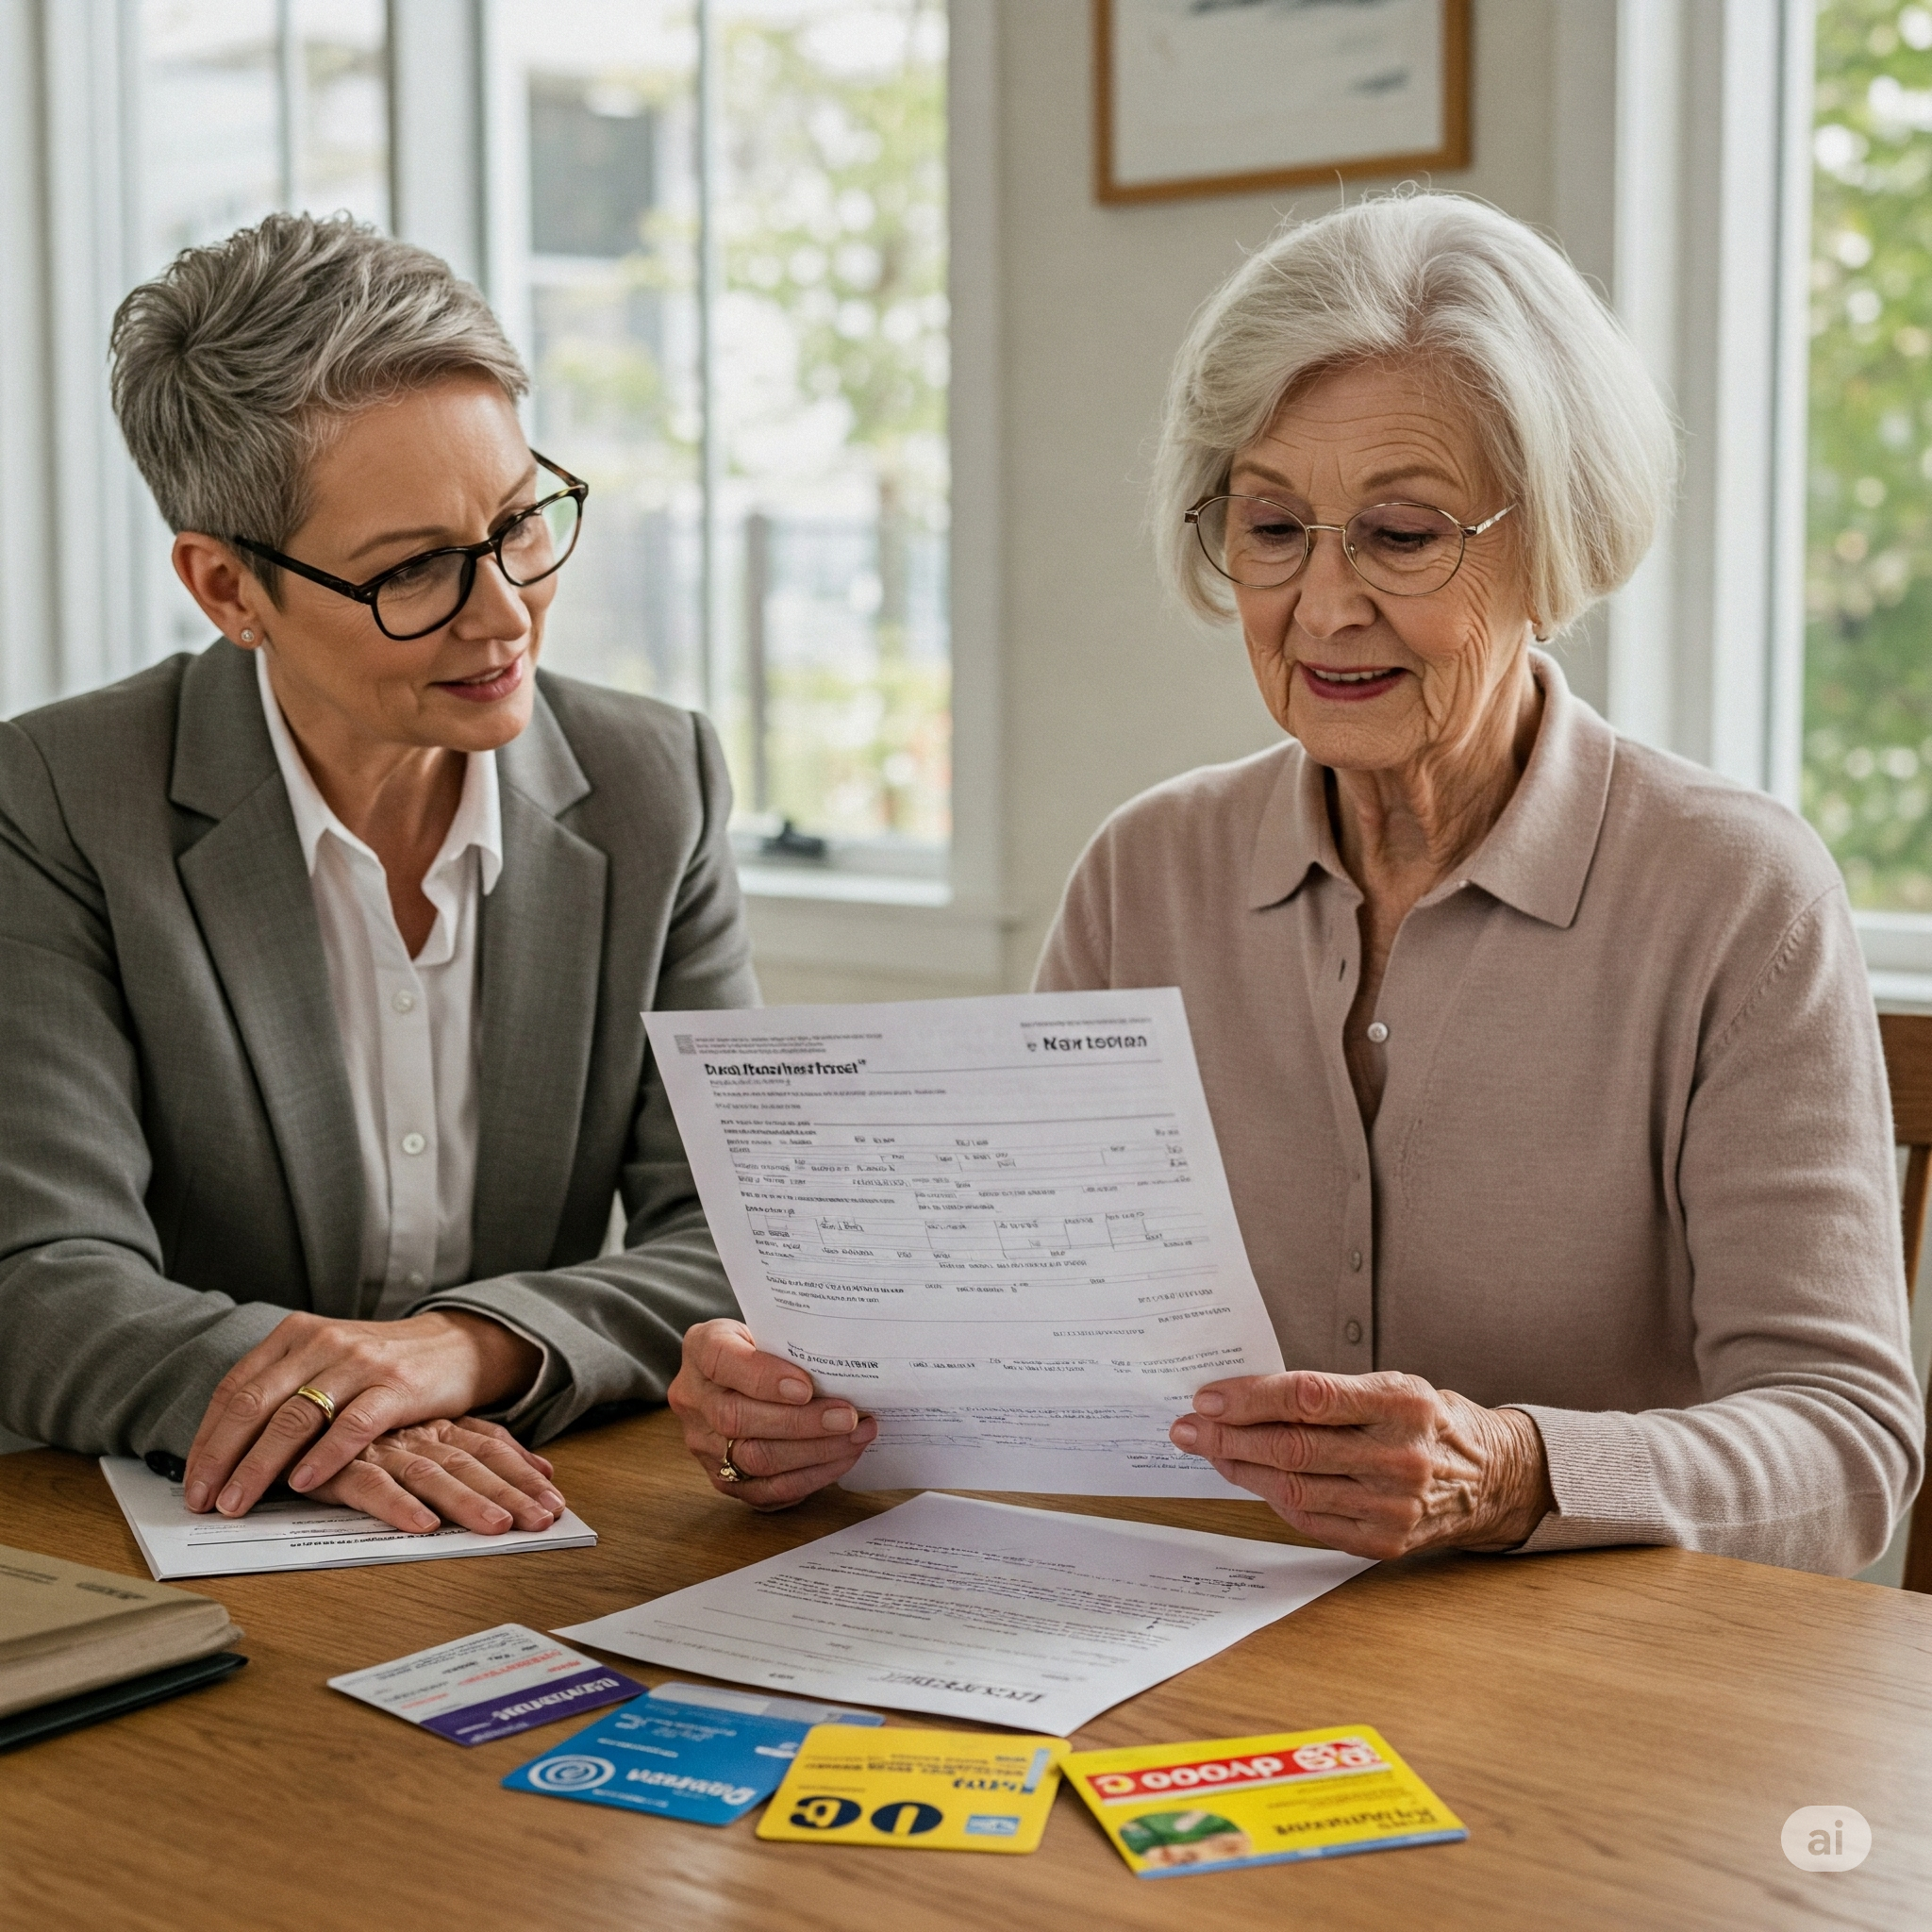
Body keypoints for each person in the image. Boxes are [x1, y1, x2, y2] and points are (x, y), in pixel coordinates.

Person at [671, 193, 1924, 1577]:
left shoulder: (1739, 897)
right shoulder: (1145, 873)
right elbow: (1025, 1360)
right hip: (1189, 1632)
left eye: (1402, 535)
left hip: (1594, 1669)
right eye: (1272, 528)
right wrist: (797, 1412)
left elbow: (1847, 1446)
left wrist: (1513, 1473)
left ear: (1558, 544)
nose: (1322, 608)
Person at [0, 213, 756, 1538]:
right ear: (227, 588)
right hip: (172, 1531)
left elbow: (743, 1236)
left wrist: (463, 1349)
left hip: (529, 1508)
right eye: (410, 569)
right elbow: (40, 1277)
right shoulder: (58, 799)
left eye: (520, 524)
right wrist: (325, 1411)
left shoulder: (656, 784)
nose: (505, 612)